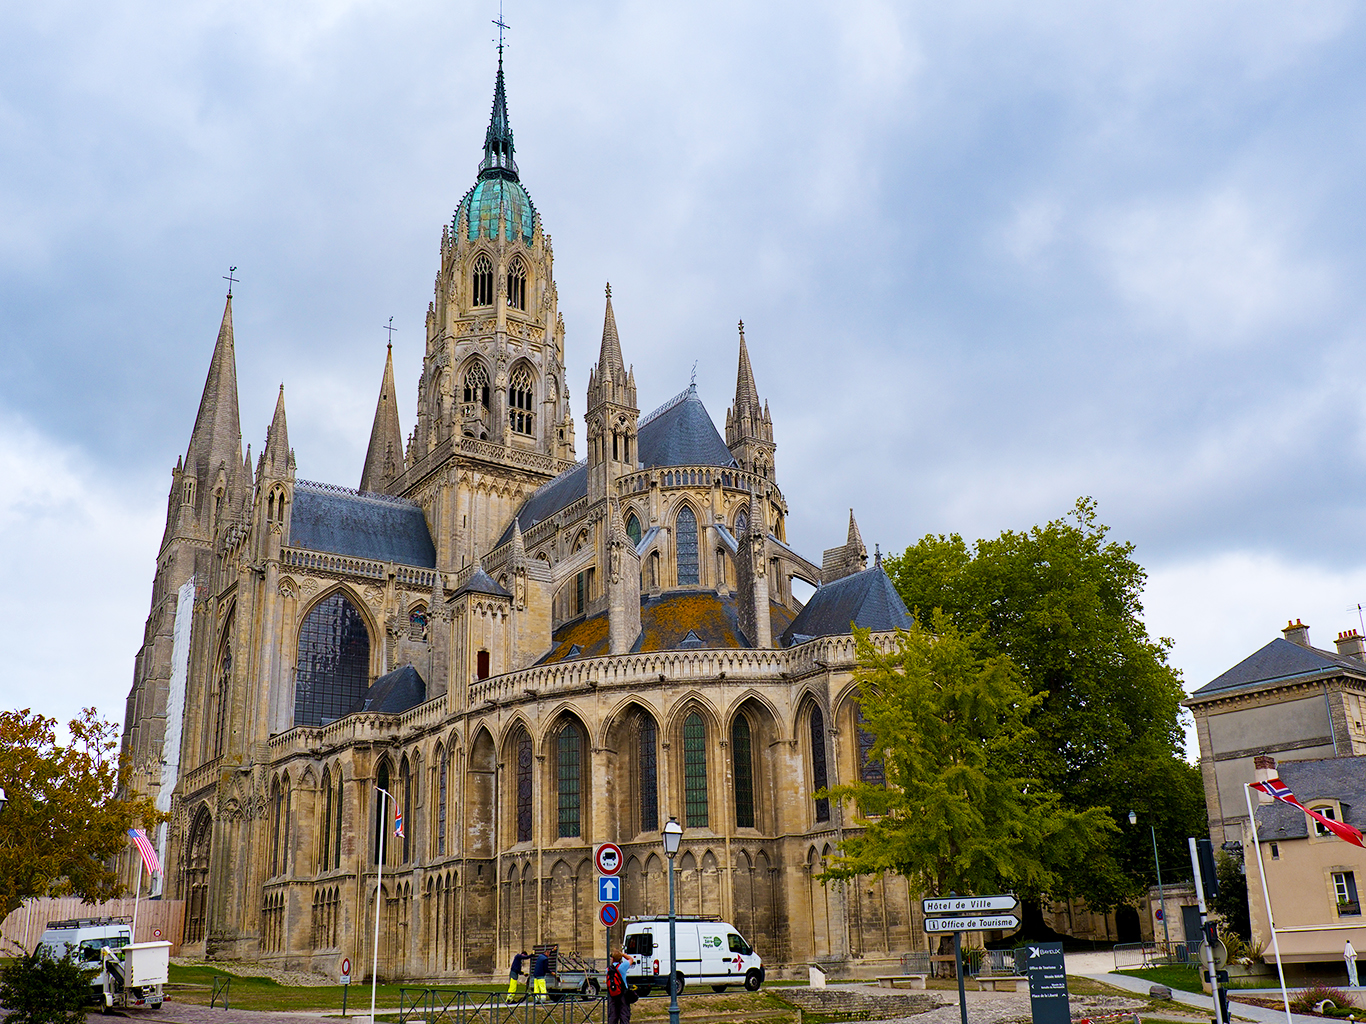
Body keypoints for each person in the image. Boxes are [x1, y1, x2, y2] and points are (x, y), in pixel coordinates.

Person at [606, 950, 631, 1024]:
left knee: (613, 1016)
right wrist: (623, 954)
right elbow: (631, 959)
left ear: (612, 959)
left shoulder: (607, 970)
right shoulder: (622, 967)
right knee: (624, 1015)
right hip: (623, 995)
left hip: (612, 995)